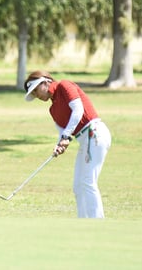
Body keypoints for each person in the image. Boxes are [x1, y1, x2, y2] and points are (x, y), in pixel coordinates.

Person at [24, 70, 111, 218]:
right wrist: (59, 145)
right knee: (78, 185)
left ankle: (97, 224)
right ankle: (83, 223)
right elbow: (63, 132)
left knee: (88, 181)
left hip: (94, 133)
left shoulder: (64, 86)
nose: (36, 96)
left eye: (36, 91)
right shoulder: (53, 109)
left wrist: (65, 136)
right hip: (84, 140)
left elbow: (78, 110)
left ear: (45, 82)